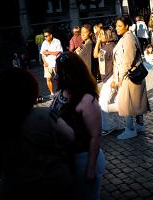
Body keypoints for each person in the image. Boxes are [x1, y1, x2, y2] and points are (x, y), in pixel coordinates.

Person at [0, 68, 75, 200]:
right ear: (30, 90)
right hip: (51, 186)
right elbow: (70, 137)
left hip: (15, 190)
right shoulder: (43, 115)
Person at [50, 52, 105, 199]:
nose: (56, 76)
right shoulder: (62, 92)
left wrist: (91, 169)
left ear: (71, 74)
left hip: (84, 158)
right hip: (67, 158)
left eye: (60, 73)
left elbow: (96, 136)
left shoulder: (87, 99)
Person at [110, 16, 149, 140]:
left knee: (127, 103)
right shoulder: (127, 37)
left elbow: (127, 60)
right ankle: (139, 126)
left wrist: (120, 78)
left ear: (126, 26)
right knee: (136, 102)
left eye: (120, 26)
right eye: (116, 26)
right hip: (131, 75)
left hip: (128, 76)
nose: (117, 28)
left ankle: (130, 129)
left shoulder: (128, 38)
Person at [93, 26, 124, 136]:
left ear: (108, 35)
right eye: (99, 34)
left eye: (102, 34)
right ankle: (119, 124)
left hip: (111, 77)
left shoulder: (111, 47)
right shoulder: (105, 46)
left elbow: (117, 64)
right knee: (112, 101)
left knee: (102, 102)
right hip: (106, 78)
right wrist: (97, 42)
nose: (99, 36)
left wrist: (115, 79)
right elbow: (96, 55)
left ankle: (108, 126)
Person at [40, 28, 63, 98]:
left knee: (58, 78)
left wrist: (48, 52)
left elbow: (58, 52)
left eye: (46, 36)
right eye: (44, 36)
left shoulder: (57, 41)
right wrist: (44, 62)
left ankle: (60, 91)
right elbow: (42, 53)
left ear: (51, 35)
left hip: (55, 63)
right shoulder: (44, 43)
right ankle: (52, 93)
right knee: (48, 78)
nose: (45, 37)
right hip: (47, 63)